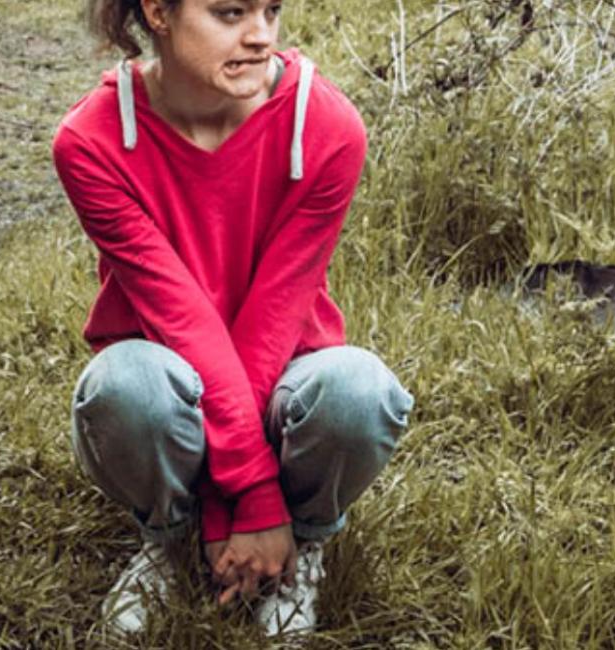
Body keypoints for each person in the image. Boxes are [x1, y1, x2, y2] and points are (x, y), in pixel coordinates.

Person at [51, 0, 415, 637]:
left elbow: (273, 318)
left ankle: (301, 544)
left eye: (271, 10)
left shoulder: (327, 128)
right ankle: (167, 540)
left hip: (284, 385)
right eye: (229, 13)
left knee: (361, 391)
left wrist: (254, 500)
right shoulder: (92, 142)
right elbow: (182, 318)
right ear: (158, 13)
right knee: (124, 386)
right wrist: (246, 498)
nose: (261, 37)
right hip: (169, 400)